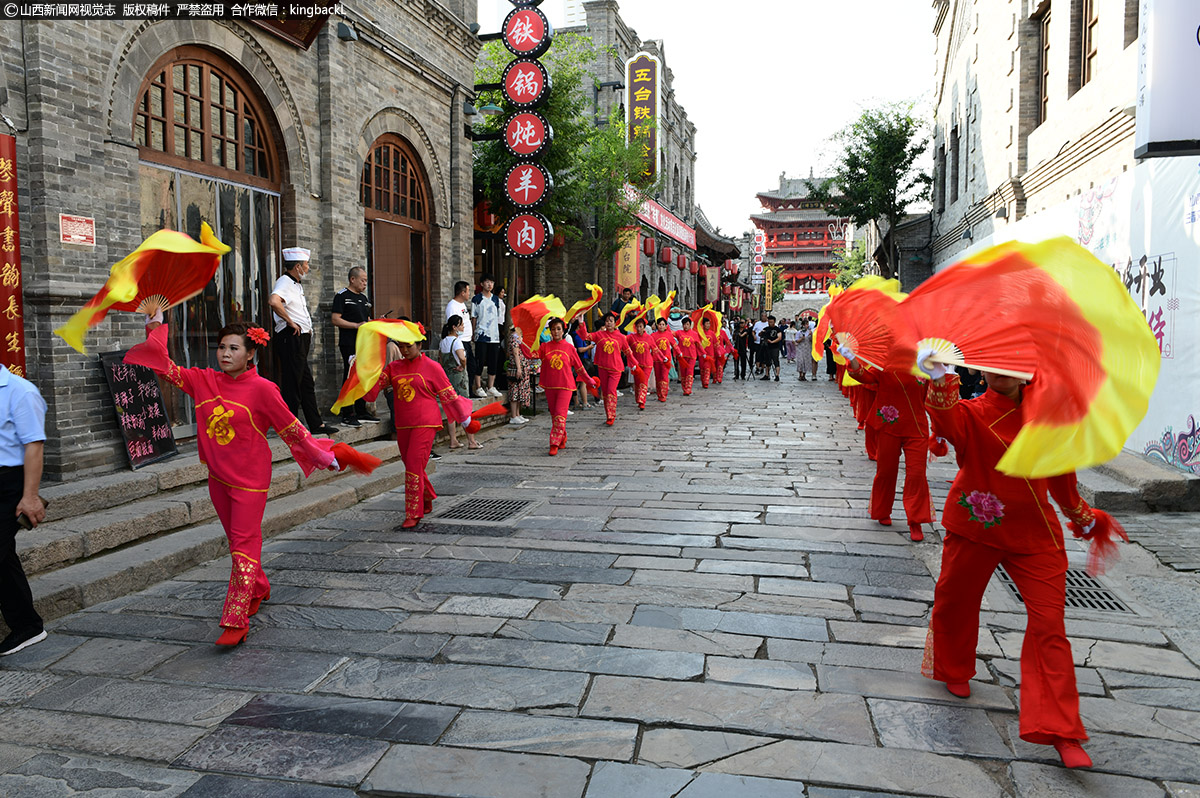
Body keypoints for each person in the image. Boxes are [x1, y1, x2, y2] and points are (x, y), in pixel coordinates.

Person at [921, 362, 1108, 770]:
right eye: (991, 364)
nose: (1000, 370)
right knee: (955, 600)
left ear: (1029, 370)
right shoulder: (969, 412)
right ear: (978, 371)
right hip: (976, 522)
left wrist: (1082, 516)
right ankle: (953, 666)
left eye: (1012, 362)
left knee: (1049, 625)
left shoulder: (1049, 419)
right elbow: (948, 424)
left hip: (1035, 534)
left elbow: (1062, 480)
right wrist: (938, 378)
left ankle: (1061, 729)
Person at [125, 318, 339, 646]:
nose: (224, 354)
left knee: (244, 542)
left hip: (250, 480)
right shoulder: (205, 381)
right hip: (218, 477)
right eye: (221, 347)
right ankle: (259, 586)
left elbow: (291, 427)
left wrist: (321, 455)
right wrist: (154, 327)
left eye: (233, 348)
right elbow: (167, 369)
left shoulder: (264, 389)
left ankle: (235, 618)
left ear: (250, 353)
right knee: (237, 541)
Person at [363, 322, 473, 528]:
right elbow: (374, 387)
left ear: (420, 345)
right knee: (411, 463)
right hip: (403, 424)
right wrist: (361, 371)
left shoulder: (433, 367)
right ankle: (428, 494)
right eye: (401, 346)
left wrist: (466, 419)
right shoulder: (394, 367)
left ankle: (413, 512)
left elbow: (449, 396)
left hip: (425, 423)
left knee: (413, 463)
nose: (404, 351)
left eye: (409, 346)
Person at [843, 346, 933, 541]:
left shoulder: (926, 363)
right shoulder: (884, 364)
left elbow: (936, 397)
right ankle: (882, 510)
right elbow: (863, 376)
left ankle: (915, 521)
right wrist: (852, 359)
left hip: (916, 428)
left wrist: (944, 373)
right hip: (889, 425)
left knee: (917, 474)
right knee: (886, 471)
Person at [0, 365, 48, 657]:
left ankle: (27, 624)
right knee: (3, 558)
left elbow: (34, 446)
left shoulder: (20, 391)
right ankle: (27, 625)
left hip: (11, 483)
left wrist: (30, 496)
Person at [269, 247, 338, 434]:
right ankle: (289, 425)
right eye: (306, 265)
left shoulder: (295, 284)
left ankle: (316, 424)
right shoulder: (284, 281)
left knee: (306, 382)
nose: (308, 268)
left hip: (300, 338)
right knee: (293, 382)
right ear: (297, 266)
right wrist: (290, 321)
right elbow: (274, 301)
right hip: (291, 337)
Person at [539, 318, 597, 455]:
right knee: (555, 415)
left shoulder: (570, 348)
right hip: (550, 386)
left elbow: (579, 367)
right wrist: (520, 342)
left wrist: (589, 380)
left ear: (563, 330)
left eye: (558, 329)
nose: (556, 332)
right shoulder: (544, 347)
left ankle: (554, 443)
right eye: (553, 329)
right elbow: (531, 355)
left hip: (565, 386)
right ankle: (562, 437)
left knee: (560, 414)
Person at [331, 266, 378, 428]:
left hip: (364, 343)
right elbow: (336, 319)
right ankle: (347, 413)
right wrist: (355, 325)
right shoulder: (342, 296)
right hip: (349, 342)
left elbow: (366, 320)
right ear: (353, 279)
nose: (365, 283)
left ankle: (361, 410)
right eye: (363, 280)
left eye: (366, 280)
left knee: (362, 375)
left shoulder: (364, 299)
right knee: (350, 375)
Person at [578, 312, 633, 426]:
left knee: (612, 391)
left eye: (611, 321)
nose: (608, 323)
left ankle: (611, 415)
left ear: (615, 323)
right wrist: (581, 322)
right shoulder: (599, 334)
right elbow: (585, 336)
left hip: (615, 369)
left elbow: (628, 352)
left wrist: (634, 364)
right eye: (607, 321)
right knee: (606, 392)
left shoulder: (621, 337)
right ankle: (608, 413)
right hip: (603, 367)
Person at [439, 316, 481, 450]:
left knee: (450, 410)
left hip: (446, 378)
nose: (463, 327)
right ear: (454, 327)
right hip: (458, 378)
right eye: (461, 325)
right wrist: (463, 365)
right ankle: (472, 441)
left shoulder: (443, 342)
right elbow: (462, 358)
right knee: (464, 408)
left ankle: (453, 440)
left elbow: (441, 360)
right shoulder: (457, 342)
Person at [471, 275, 503, 399]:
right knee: (480, 360)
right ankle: (478, 387)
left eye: (492, 282)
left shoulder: (496, 299)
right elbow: (474, 317)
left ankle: (491, 387)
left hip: (494, 335)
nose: (490, 285)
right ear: (482, 284)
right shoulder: (477, 299)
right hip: (481, 334)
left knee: (493, 361)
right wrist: (474, 333)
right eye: (487, 282)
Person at [446, 280, 476, 396]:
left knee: (472, 366)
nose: (469, 294)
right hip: (460, 341)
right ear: (462, 292)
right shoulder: (452, 306)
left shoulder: (462, 304)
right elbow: (453, 325)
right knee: (466, 366)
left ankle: (469, 390)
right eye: (468, 291)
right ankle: (465, 391)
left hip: (467, 340)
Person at [625, 315, 655, 409]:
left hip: (647, 364)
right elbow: (622, 340)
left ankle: (642, 401)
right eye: (637, 327)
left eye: (640, 326)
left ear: (644, 327)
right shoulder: (631, 337)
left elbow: (655, 349)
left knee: (643, 382)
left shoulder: (649, 338)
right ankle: (638, 399)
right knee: (637, 383)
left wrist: (663, 358)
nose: (639, 329)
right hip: (636, 365)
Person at [506, 323, 532, 426]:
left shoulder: (519, 338)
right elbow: (515, 353)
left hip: (522, 365)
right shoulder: (513, 338)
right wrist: (518, 368)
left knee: (520, 391)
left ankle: (517, 414)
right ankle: (513, 415)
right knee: (515, 391)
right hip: (516, 367)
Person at [651, 317, 680, 402]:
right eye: (660, 324)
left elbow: (674, 345)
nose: (661, 326)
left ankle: (663, 394)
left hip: (666, 360)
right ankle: (659, 394)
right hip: (656, 359)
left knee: (664, 376)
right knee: (658, 377)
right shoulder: (653, 335)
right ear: (657, 325)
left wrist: (679, 353)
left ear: (666, 326)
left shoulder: (669, 335)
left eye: (663, 324)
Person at [569, 319, 595, 410]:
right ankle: (584, 403)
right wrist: (589, 347)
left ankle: (576, 402)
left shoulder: (573, 335)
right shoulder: (578, 336)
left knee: (576, 383)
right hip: (581, 361)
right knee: (582, 382)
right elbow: (580, 349)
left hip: (578, 361)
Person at [673, 317, 701, 395]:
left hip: (692, 356)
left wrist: (703, 353)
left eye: (687, 324)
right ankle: (684, 388)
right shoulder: (679, 333)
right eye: (684, 324)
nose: (686, 326)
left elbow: (699, 345)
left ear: (690, 325)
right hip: (682, 357)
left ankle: (688, 389)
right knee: (683, 373)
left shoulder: (694, 334)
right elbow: (670, 333)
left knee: (689, 372)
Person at [759, 315, 784, 381]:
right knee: (767, 361)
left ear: (774, 322)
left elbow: (779, 337)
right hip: (767, 347)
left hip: (775, 347)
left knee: (775, 360)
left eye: (771, 322)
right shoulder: (766, 328)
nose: (770, 323)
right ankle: (767, 374)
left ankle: (777, 375)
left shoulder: (777, 329)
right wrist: (761, 333)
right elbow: (760, 335)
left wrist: (772, 342)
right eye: (769, 322)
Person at [751, 312, 768, 376]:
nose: (763, 317)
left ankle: (763, 367)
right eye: (762, 316)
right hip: (757, 342)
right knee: (758, 355)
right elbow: (753, 331)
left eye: (764, 316)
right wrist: (754, 336)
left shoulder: (767, 324)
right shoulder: (757, 324)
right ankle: (757, 367)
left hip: (765, 342)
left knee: (764, 356)